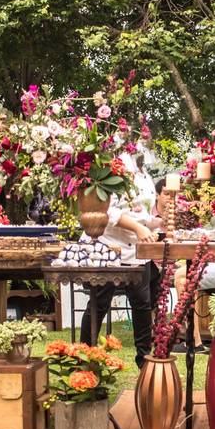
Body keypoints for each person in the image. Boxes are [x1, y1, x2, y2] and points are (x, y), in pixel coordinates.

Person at [79, 153, 162, 367]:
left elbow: (143, 216)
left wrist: (158, 224)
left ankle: (144, 360)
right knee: (99, 303)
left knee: (142, 305)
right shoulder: (111, 171)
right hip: (107, 246)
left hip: (136, 251)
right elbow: (107, 211)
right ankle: (84, 357)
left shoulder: (146, 177)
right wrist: (138, 227)